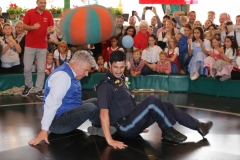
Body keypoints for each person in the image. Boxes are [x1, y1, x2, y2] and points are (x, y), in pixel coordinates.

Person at [94, 50, 213, 149]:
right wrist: (109, 140)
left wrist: (140, 121)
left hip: (133, 121)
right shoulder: (105, 85)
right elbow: (104, 114)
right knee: (152, 101)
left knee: (166, 105)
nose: (119, 71)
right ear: (109, 65)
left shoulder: (119, 79)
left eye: (121, 67)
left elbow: (128, 103)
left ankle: (199, 126)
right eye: (115, 67)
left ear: (125, 65)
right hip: (125, 127)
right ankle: (167, 130)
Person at [28, 51, 116, 146]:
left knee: (97, 101)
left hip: (68, 112)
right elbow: (51, 103)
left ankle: (100, 127)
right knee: (90, 108)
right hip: (57, 123)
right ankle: (112, 124)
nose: (87, 74)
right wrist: (44, 130)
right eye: (85, 70)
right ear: (77, 64)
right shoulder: (62, 77)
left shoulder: (71, 72)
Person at [21, 0, 54, 98]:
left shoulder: (48, 14)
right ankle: (28, 85)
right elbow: (24, 26)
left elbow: (52, 27)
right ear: (37, 3)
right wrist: (32, 27)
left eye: (44, 3)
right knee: (27, 68)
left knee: (41, 69)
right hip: (29, 45)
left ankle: (38, 89)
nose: (43, 4)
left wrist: (51, 29)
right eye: (41, 2)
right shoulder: (29, 12)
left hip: (42, 46)